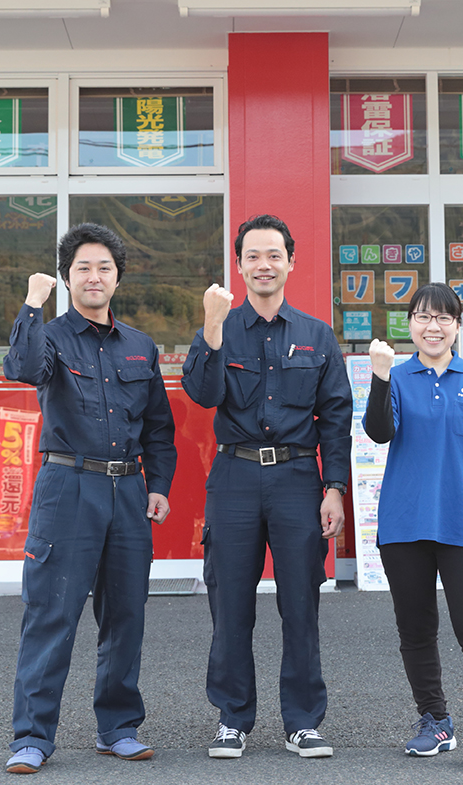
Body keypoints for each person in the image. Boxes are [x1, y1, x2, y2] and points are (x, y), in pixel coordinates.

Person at [2, 223, 177, 775]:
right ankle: (32, 737)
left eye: (104, 267)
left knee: (125, 616)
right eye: (83, 267)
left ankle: (118, 728)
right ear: (67, 277)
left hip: (128, 491)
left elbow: (159, 427)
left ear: (117, 277)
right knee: (51, 613)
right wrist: (32, 305)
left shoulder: (140, 346)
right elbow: (23, 369)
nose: (94, 276)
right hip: (68, 487)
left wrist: (158, 485)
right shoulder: (50, 336)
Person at [182, 214, 353, 759]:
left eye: (274, 255)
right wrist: (211, 327)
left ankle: (302, 721)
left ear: (291, 262)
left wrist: (334, 487)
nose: (264, 265)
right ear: (239, 265)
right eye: (252, 256)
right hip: (234, 476)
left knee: (300, 602)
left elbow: (336, 417)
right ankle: (232, 718)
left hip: (298, 479)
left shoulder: (316, 335)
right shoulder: (221, 327)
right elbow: (201, 394)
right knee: (230, 602)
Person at [361, 282, 463, 770]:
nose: (433, 326)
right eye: (424, 317)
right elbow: (379, 432)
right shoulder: (396, 377)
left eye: (444, 318)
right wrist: (380, 377)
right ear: (410, 324)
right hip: (404, 522)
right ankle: (435, 720)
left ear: (457, 326)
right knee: (415, 628)